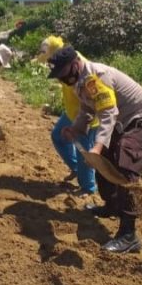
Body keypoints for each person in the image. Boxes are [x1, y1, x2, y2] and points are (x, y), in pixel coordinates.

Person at [47, 45, 142, 254]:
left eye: (62, 73)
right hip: (122, 121)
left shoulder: (96, 78)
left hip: (141, 117)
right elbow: (88, 109)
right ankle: (111, 206)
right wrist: (76, 128)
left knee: (126, 168)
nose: (62, 79)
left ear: (74, 64)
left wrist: (97, 147)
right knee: (104, 161)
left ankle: (129, 235)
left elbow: (108, 113)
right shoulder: (80, 81)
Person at [36, 36, 97, 195]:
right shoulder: (63, 63)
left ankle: (88, 187)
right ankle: (76, 169)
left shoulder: (77, 66)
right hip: (71, 112)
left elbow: (89, 102)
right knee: (57, 136)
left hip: (84, 117)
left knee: (83, 149)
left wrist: (77, 125)